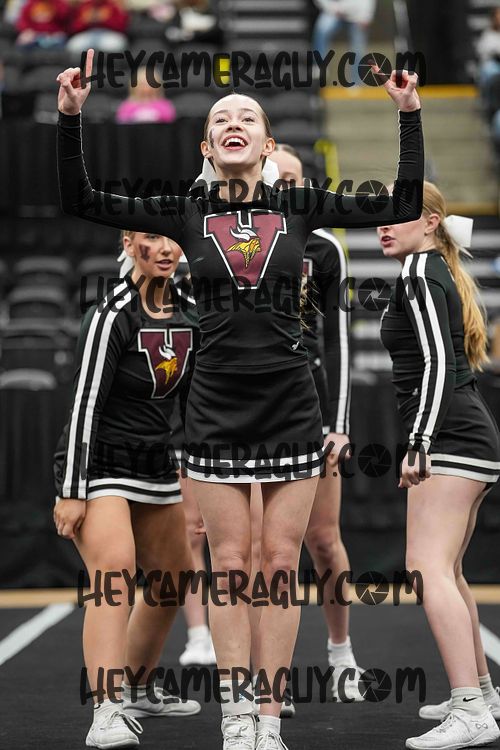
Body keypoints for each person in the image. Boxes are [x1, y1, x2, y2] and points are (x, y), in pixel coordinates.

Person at [56, 49, 423, 750]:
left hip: (291, 407)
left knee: (281, 564)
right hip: (215, 410)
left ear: (266, 143)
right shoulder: (185, 210)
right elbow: (83, 200)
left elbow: (402, 204)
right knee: (228, 563)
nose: (233, 123)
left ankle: (270, 718)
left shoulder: (300, 207)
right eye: (221, 118)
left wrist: (408, 115)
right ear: (206, 147)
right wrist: (71, 118)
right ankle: (234, 718)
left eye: (247, 117)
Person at [53, 230, 201, 749]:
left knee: (173, 579)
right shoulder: (112, 312)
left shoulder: (190, 313)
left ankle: (137, 687)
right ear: (128, 241)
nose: (166, 249)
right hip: (100, 464)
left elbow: (192, 406)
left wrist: (197, 476)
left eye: (174, 238)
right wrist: (72, 488)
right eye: (151, 238)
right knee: (114, 572)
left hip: (155, 464)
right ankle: (106, 710)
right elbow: (84, 401)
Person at [377, 181, 500, 750]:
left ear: (430, 222)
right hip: (466, 434)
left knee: (426, 567)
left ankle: (471, 709)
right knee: (447, 569)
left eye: (396, 214)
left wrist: (420, 440)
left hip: (451, 436)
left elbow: (438, 363)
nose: (383, 224)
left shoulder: (419, 272)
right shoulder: (429, 269)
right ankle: (480, 694)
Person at [248, 143, 364, 715]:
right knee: (260, 550)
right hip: (251, 411)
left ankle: (341, 653)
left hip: (309, 405)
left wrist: (337, 425)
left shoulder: (323, 246)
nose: (287, 188)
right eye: (279, 180)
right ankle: (270, 673)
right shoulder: (242, 239)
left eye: (295, 180)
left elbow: (339, 340)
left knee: (320, 540)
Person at [312, 0, 376, 85]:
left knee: (357, 49)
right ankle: (320, 66)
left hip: (358, 16)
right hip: (334, 12)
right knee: (322, 29)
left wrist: (367, 15)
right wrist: (331, 8)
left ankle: (356, 83)